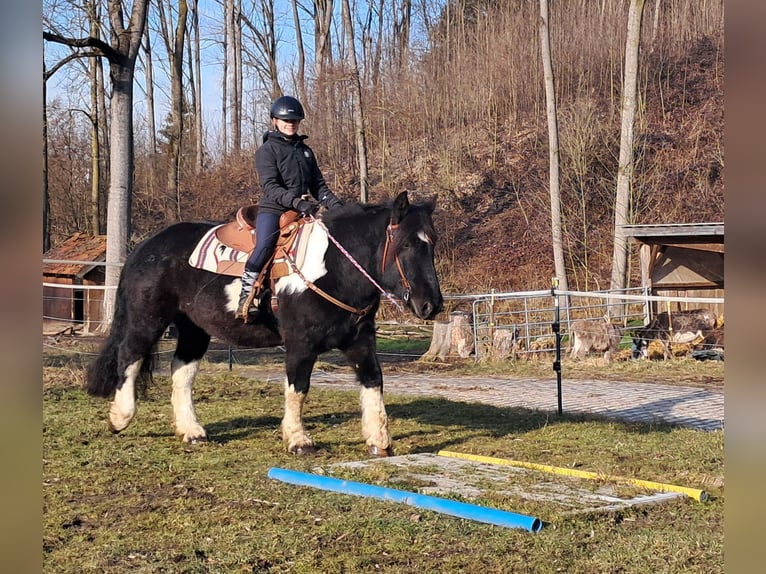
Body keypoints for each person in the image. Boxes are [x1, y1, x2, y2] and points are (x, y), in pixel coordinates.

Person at [237, 95, 344, 321]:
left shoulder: (306, 151)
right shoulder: (266, 151)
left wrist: (338, 207)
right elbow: (271, 187)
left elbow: (319, 186)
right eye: (285, 120)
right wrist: (299, 203)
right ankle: (246, 295)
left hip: (303, 209)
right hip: (274, 209)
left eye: (294, 121)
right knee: (264, 245)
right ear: (274, 121)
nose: (290, 124)